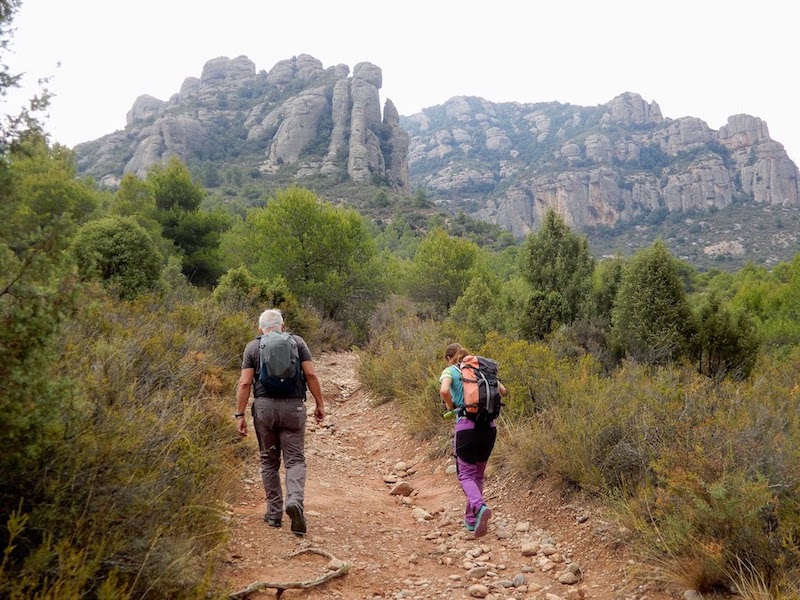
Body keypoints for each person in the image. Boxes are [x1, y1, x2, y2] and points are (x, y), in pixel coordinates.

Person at [235, 308, 324, 536]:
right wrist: (319, 404)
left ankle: (274, 514)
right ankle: (295, 501)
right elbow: (311, 375)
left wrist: (239, 415)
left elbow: (245, 384)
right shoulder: (298, 342)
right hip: (293, 409)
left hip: (265, 411)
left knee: (269, 461)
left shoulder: (253, 347)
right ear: (282, 326)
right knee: (294, 460)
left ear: (260, 329)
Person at [439, 342, 507, 538]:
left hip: (467, 426)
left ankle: (480, 506)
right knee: (478, 475)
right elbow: (502, 391)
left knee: (465, 475)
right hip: (489, 428)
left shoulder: (450, 371)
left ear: (447, 358)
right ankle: (471, 519)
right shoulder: (480, 370)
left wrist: (451, 406)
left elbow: (444, 390)